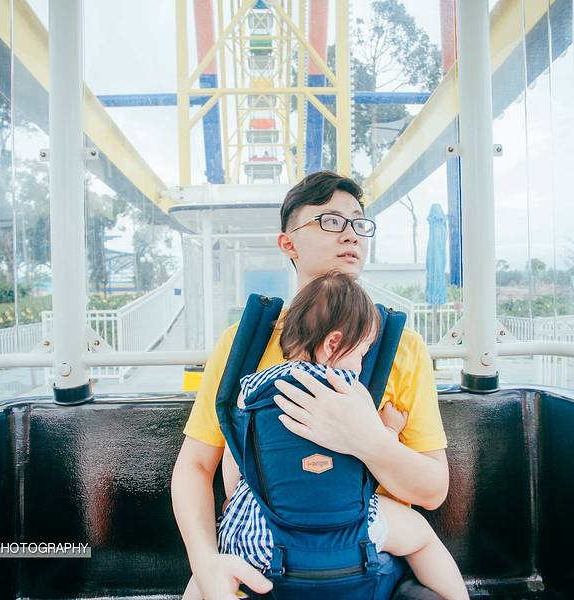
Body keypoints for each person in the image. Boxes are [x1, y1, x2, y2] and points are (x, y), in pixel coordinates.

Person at [172, 171, 452, 600]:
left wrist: (367, 439)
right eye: (330, 221)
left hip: (364, 564)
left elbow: (433, 491)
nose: (351, 234)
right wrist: (205, 562)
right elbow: (194, 466)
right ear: (288, 244)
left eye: (359, 223)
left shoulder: (404, 349)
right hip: (265, 563)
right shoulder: (242, 345)